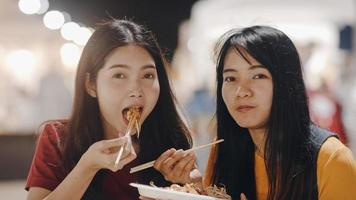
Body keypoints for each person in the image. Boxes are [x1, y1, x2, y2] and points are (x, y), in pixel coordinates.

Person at [26, 19, 198, 200]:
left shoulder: (170, 142)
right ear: (91, 84)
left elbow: (198, 190)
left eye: (148, 75)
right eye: (119, 75)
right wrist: (87, 167)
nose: (136, 90)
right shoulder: (59, 138)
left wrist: (194, 183)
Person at [204, 26, 356, 200]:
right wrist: (191, 188)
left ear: (287, 83)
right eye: (230, 78)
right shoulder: (224, 149)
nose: (241, 91)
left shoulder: (332, 159)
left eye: (258, 76)